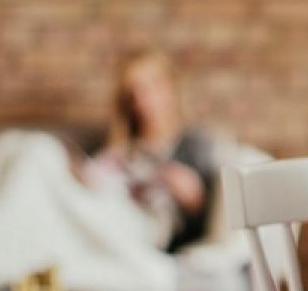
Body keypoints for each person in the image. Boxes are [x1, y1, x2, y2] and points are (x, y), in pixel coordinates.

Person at [83, 49, 219, 253]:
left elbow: (203, 208)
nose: (142, 102)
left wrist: (178, 184)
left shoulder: (194, 143)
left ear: (169, 87)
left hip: (151, 233)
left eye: (149, 88)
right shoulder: (121, 148)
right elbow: (93, 189)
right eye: (133, 94)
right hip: (109, 221)